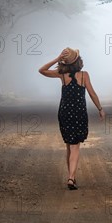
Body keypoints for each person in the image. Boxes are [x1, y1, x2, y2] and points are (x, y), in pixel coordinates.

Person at [38, 47, 105, 190]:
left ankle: (72, 177)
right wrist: (100, 108)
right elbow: (92, 94)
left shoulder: (62, 74)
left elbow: (42, 70)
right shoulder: (84, 75)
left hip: (65, 112)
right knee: (75, 147)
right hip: (79, 112)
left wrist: (57, 59)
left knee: (69, 145)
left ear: (65, 62)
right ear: (78, 61)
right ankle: (71, 177)